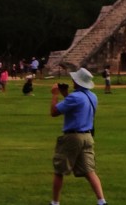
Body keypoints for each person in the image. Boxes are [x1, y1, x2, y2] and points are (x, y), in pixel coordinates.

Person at [50, 68, 106, 205]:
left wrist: (55, 95)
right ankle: (102, 201)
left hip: (73, 137)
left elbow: (54, 112)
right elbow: (77, 108)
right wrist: (66, 95)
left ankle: (55, 203)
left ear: (78, 81)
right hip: (87, 137)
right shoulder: (92, 96)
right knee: (89, 171)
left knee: (59, 170)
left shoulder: (74, 97)